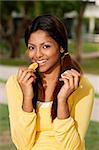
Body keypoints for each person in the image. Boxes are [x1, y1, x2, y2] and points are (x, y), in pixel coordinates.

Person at [6, 14, 94, 150]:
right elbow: (21, 144)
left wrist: (62, 100)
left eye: (45, 46)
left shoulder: (82, 87)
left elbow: (72, 147)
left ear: (61, 48)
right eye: (31, 47)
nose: (37, 54)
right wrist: (27, 98)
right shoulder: (16, 84)